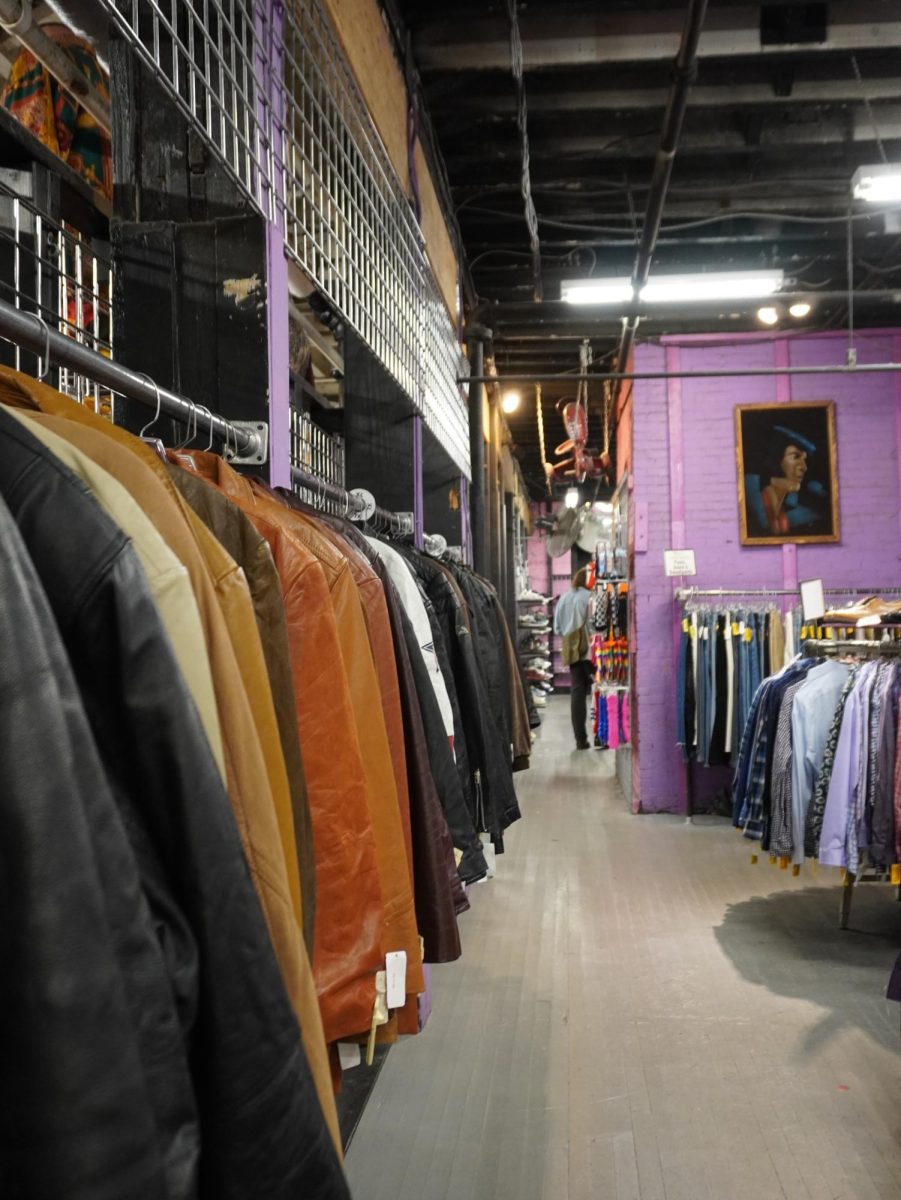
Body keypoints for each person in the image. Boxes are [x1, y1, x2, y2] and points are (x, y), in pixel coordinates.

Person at [745, 424, 827, 537]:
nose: (803, 467)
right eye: (795, 457)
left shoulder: (805, 509)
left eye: (805, 460)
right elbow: (765, 523)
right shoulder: (752, 485)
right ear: (776, 459)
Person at [554, 566, 594, 750]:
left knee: (577, 693)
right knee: (599, 691)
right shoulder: (589, 597)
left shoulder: (564, 598)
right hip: (591, 651)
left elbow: (557, 628)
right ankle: (602, 736)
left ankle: (580, 740)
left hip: (572, 651)